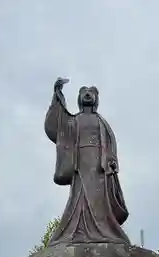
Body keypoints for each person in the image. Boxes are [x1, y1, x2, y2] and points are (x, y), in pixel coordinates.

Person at [44, 78, 130, 245]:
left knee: (100, 196)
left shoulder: (101, 122)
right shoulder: (73, 120)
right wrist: (57, 95)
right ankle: (76, 231)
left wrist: (111, 161)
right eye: (84, 93)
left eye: (91, 93)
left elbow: (110, 143)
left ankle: (105, 230)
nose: (88, 95)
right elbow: (57, 126)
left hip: (99, 163)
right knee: (80, 194)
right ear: (79, 98)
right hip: (80, 161)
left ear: (96, 98)